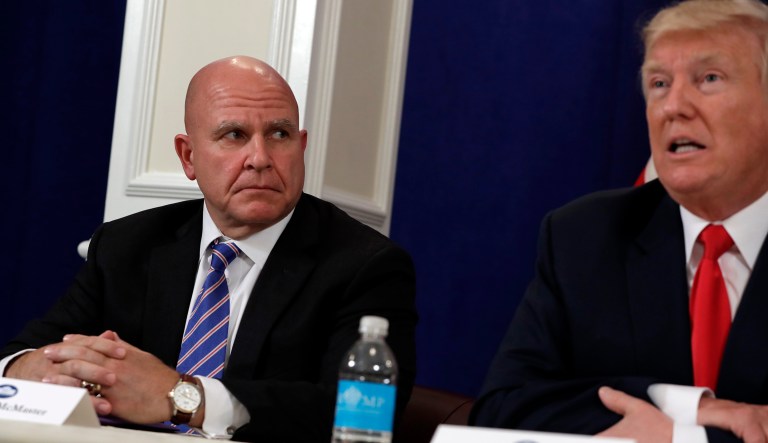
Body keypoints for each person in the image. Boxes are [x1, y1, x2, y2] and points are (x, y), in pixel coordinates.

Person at [0, 56, 417, 442]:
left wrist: (183, 396)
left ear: (301, 146)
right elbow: (21, 353)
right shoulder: (127, 245)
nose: (260, 157)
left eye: (279, 134)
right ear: (188, 156)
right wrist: (31, 368)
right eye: (234, 135)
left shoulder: (365, 265)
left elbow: (358, 415)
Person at [470, 1, 768, 442]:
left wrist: (682, 437)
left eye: (709, 78)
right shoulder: (586, 236)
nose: (673, 107)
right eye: (659, 84)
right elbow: (502, 409)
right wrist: (688, 409)